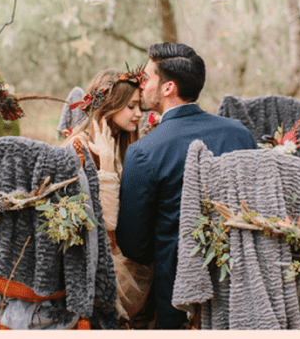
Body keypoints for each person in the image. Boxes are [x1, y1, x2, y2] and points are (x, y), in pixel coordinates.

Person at [115, 42, 257, 329]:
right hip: (242, 288)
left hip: (178, 300)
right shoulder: (239, 134)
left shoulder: (145, 151)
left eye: (147, 77)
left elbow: (134, 246)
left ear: (168, 88)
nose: (141, 85)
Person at [62, 67, 154, 325]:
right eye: (132, 106)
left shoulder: (121, 142)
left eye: (140, 108)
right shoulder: (78, 147)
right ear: (110, 106)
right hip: (89, 253)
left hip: (114, 244)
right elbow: (104, 224)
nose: (138, 114)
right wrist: (107, 168)